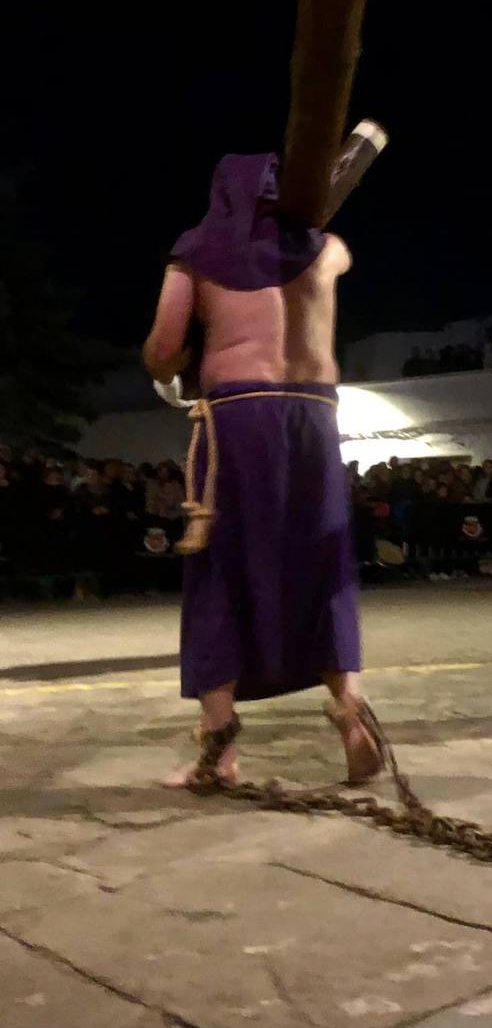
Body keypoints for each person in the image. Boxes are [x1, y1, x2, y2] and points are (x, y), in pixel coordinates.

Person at [143, 153, 380, 788]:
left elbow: (163, 351)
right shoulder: (328, 248)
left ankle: (220, 749)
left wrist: (183, 354)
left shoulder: (195, 251)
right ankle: (350, 713)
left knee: (219, 568)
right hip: (314, 414)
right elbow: (326, 247)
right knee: (322, 565)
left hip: (239, 414)